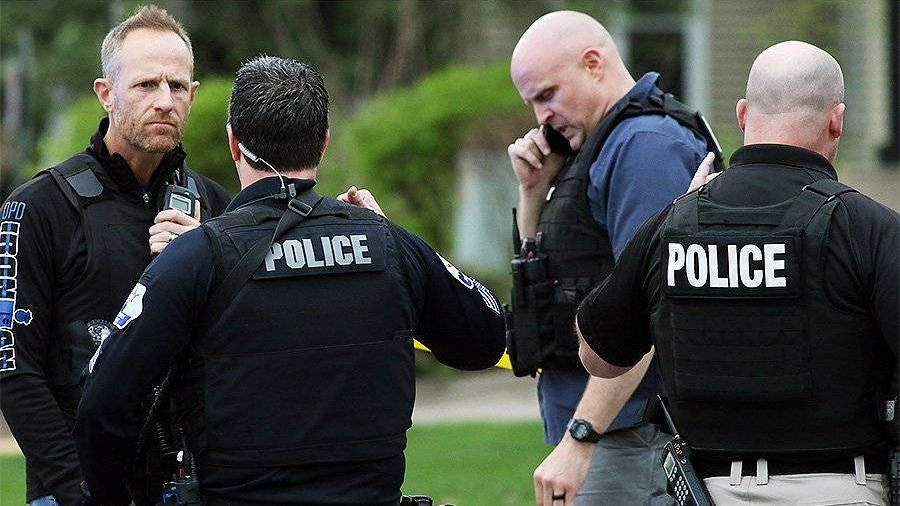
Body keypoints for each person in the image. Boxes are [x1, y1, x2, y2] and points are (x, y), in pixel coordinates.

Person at [74, 56, 507, 506]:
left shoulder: (196, 255)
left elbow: (101, 405)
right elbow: (486, 337)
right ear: (323, 142)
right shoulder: (389, 245)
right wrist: (392, 236)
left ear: (233, 143)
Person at [577, 41, 898, 505]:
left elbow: (598, 356)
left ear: (744, 114)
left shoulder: (673, 224)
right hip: (841, 487)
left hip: (707, 491)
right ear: (837, 121)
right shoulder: (869, 228)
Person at [0, 6, 229, 505]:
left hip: (193, 486)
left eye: (178, 86)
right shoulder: (39, 207)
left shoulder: (214, 206)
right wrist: (77, 490)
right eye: (146, 85)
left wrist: (206, 262)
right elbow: (12, 364)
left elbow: (243, 345)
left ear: (193, 96)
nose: (165, 101)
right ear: (105, 93)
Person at [504, 10, 719, 504]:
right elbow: (546, 283)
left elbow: (644, 314)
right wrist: (533, 194)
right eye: (531, 102)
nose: (540, 117)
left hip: (630, 435)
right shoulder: (595, 145)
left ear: (593, 63)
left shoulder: (645, 146)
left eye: (547, 94)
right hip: (607, 432)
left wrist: (581, 437)